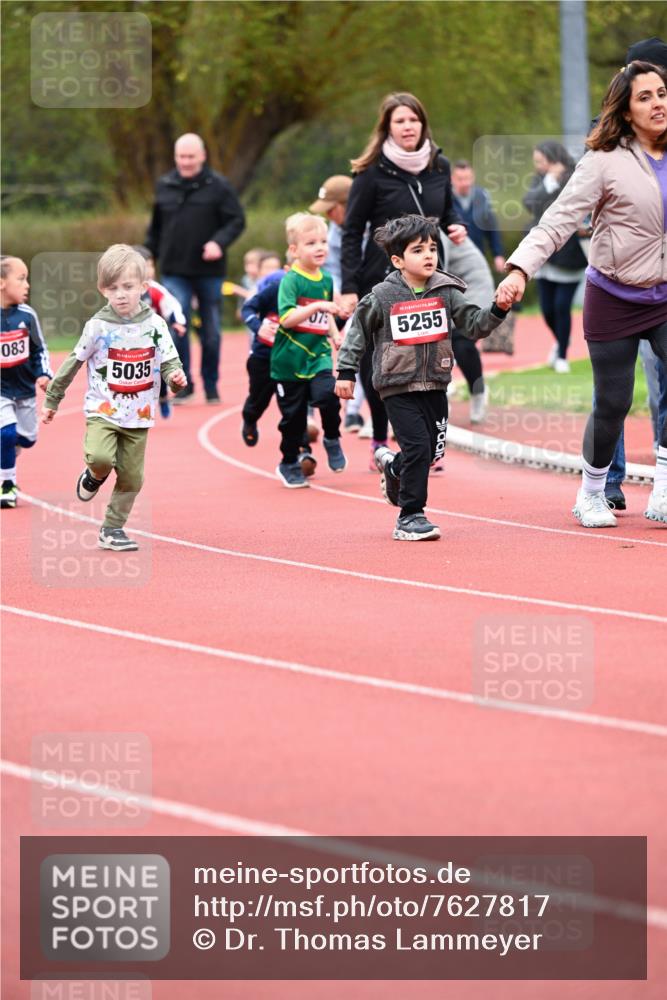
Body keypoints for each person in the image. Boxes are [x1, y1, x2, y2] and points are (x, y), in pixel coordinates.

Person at [496, 61, 667, 529]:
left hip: (666, 293)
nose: (658, 103)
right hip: (614, 294)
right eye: (645, 97)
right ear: (626, 111)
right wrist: (519, 269)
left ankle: (665, 486)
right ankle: (591, 491)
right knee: (613, 402)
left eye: (662, 93)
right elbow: (558, 220)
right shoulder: (603, 161)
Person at [336, 215, 509, 541]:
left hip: (436, 381)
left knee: (430, 454)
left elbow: (473, 325)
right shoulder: (382, 296)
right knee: (417, 448)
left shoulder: (446, 289)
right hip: (396, 385)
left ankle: (394, 467)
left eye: (432, 248)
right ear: (398, 260)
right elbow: (356, 334)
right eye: (419, 250)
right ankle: (410, 516)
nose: (429, 255)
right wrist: (346, 372)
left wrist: (498, 308)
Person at [340, 92, 466, 468]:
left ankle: (424, 443)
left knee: (428, 353)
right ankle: (380, 440)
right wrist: (348, 287)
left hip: (428, 278)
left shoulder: (438, 164)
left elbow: (447, 208)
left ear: (422, 124)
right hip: (380, 279)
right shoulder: (371, 172)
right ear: (387, 128)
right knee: (384, 360)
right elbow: (351, 231)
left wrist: (455, 224)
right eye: (400, 121)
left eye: (413, 120)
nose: (408, 127)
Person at [42, 245, 187, 551]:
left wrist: (175, 378)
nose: (121, 294)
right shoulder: (97, 326)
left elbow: (170, 361)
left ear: (143, 288)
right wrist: (53, 398)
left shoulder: (156, 325)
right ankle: (94, 476)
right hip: (103, 410)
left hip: (140, 413)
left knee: (133, 478)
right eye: (113, 288)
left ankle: (112, 528)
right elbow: (74, 361)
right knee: (101, 458)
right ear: (102, 290)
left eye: (128, 287)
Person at [145, 132, 245, 404]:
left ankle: (211, 385)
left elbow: (236, 221)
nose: (186, 162)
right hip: (174, 268)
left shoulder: (219, 186)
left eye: (190, 156)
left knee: (211, 330)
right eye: (181, 156)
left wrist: (218, 242)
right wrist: (146, 258)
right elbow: (155, 228)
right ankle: (183, 382)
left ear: (202, 156)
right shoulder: (164, 185)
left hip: (209, 271)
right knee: (179, 321)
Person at [272, 212, 345, 488]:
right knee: (293, 419)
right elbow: (287, 318)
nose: (320, 248)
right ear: (294, 250)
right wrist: (317, 307)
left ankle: (332, 438)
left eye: (323, 241)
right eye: (311, 243)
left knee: (328, 396)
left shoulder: (326, 279)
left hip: (319, 355)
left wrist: (335, 334)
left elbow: (325, 316)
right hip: (289, 360)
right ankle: (289, 461)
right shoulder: (290, 280)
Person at [523, 141, 588, 374]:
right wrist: (549, 181)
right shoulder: (541, 179)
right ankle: (562, 340)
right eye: (536, 162)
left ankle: (562, 355)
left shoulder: (575, 176)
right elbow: (530, 204)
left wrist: (559, 181)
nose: (538, 166)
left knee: (562, 306)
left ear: (554, 158)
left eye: (541, 161)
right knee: (547, 308)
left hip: (569, 256)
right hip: (544, 255)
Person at [309, 174, 367, 433]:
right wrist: (340, 299)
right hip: (344, 297)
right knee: (313, 335)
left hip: (372, 295)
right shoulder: (334, 232)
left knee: (362, 345)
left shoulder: (374, 224)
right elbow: (332, 271)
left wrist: (357, 298)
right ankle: (307, 408)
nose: (329, 216)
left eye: (332, 209)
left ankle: (353, 411)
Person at [0, 256, 51, 508]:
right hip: (1, 391)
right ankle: (7, 485)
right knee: (6, 433)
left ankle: (5, 455)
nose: (27, 285)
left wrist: (44, 374)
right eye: (21, 279)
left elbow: (40, 349)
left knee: (27, 439)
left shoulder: (27, 315)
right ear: (1, 283)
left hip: (25, 389)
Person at [132, 246, 186, 419]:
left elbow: (172, 305)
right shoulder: (123, 290)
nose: (149, 270)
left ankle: (163, 397)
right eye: (144, 266)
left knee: (158, 370)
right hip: (130, 341)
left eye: (151, 266)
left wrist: (177, 321)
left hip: (154, 340)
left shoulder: (155, 290)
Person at [451, 160, 505, 273]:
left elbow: (491, 227)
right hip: (452, 260)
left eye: (468, 178)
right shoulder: (445, 198)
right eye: (460, 179)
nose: (465, 183)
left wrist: (498, 254)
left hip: (478, 256)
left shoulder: (482, 196)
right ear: (452, 179)